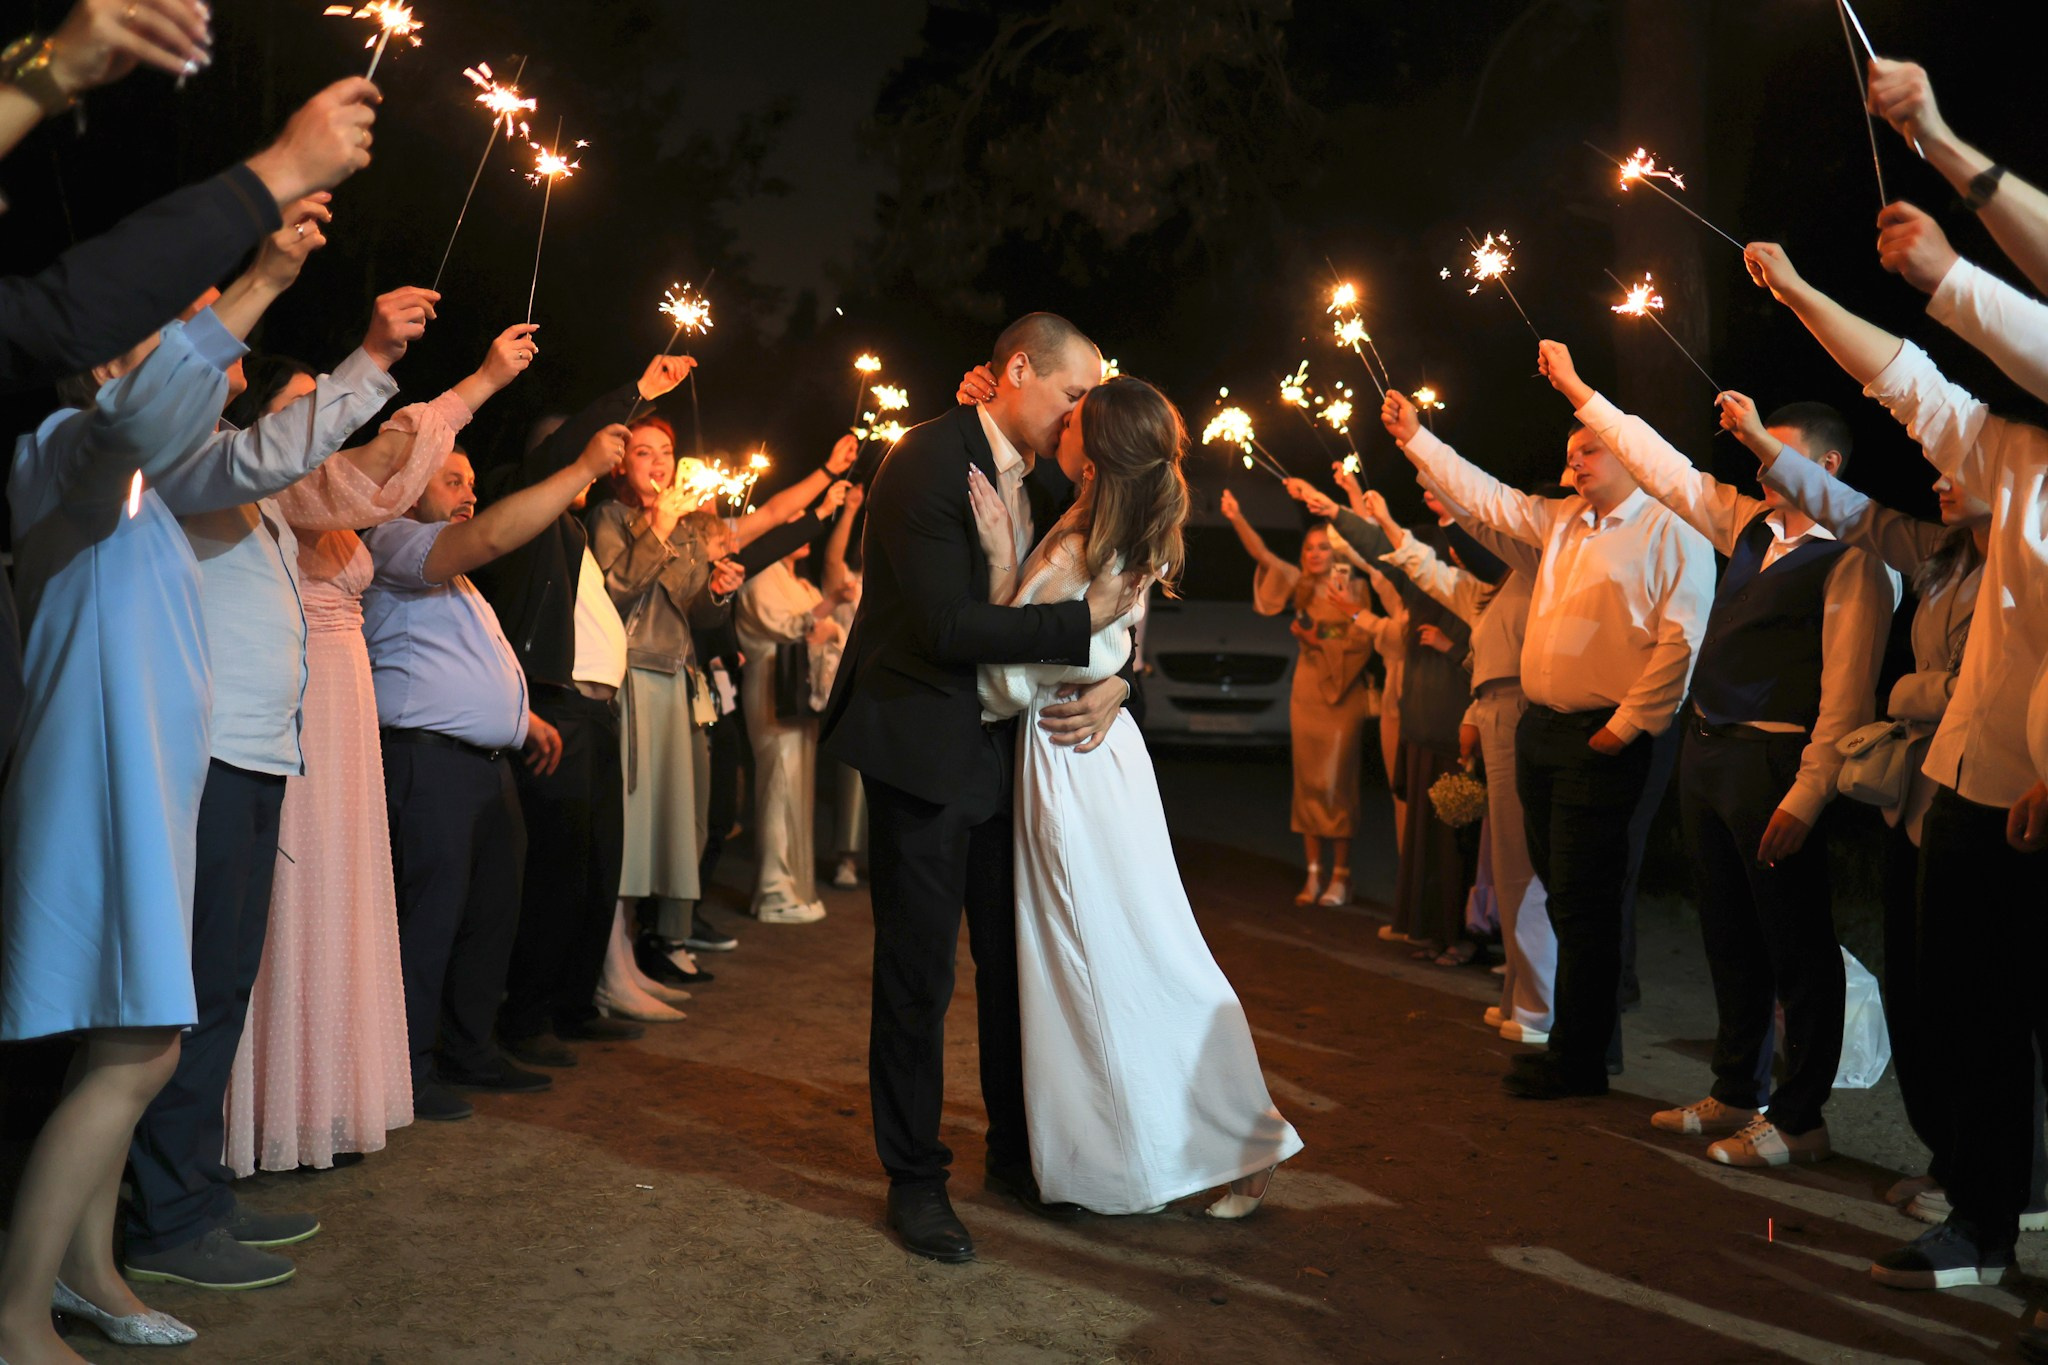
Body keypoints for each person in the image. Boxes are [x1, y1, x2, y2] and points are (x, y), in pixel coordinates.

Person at [120, 221, 442, 1290]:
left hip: (256, 753)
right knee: (184, 994)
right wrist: (373, 358)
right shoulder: (171, 460)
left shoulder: (232, 477)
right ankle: (159, 1218)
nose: (241, 365)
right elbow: (283, 452)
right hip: (198, 754)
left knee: (220, 987)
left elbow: (313, 471)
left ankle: (193, 1192)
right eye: (208, 339)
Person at [1743, 235, 2048, 1290]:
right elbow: (1904, 384)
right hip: (1969, 787)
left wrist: (1948, 184)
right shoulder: (2007, 462)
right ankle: (1980, 1227)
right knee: (1970, 1018)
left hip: (2037, 796)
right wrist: (1796, 290)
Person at [820, 312, 1141, 1262]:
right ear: (1016, 372)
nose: (1083, 413)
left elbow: (1118, 597)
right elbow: (945, 628)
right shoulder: (924, 459)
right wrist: (1082, 628)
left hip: (1011, 760)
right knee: (919, 975)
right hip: (921, 747)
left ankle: (1018, 1154)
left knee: (1015, 966)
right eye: (1074, 393)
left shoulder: (1052, 479)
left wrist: (1120, 677)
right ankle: (915, 1178)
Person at [0, 297, 274, 1357]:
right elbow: (134, 428)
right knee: (140, 1046)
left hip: (140, 784)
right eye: (167, 343)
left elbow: (260, 452)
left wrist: (380, 363)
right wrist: (252, 286)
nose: (195, 365)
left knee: (129, 1038)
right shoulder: (69, 447)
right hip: (96, 781)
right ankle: (18, 1313)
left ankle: (87, 1270)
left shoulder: (147, 484)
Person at [967, 375, 1302, 1215]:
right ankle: (1129, 1157)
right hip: (1092, 753)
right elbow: (1095, 646)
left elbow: (1007, 675)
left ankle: (1241, 1137)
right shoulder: (1108, 526)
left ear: (1094, 452)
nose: (1061, 419)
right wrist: (1113, 676)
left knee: (1119, 953)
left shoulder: (1088, 542)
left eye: (1075, 415)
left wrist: (1003, 560)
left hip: (1071, 755)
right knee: (1107, 959)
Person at [1554, 356, 1897, 1168]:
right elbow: (1663, 468)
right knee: (1729, 934)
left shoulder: (1857, 556)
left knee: (1797, 946)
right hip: (1709, 754)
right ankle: (1737, 1088)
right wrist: (1579, 387)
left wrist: (1808, 796)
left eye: (1777, 453)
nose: (1759, 465)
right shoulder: (1748, 526)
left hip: (1778, 762)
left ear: (1829, 468)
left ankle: (1802, 1113)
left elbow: (1845, 699)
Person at [225, 324, 538, 1178]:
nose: (318, 426)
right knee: (295, 905)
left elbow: (380, 463)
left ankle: (329, 1102)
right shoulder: (273, 492)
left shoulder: (330, 503)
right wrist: (478, 378)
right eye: (298, 412)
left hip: (350, 716)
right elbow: (390, 460)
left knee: (346, 906)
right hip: (298, 709)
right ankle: (271, 1112)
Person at [1381, 374, 1713, 1101]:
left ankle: (1581, 1058)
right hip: (1545, 734)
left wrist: (1624, 727)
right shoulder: (1563, 522)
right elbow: (1484, 496)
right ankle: (1570, 1043)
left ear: (1635, 454)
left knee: (1589, 900)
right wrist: (1416, 440)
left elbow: (1679, 644)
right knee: (1563, 895)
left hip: (1610, 739)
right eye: (1572, 451)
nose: (1577, 462)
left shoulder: (1672, 529)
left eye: (1591, 448)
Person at [1733, 403, 2007, 1222]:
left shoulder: (2018, 569)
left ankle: (1999, 1184)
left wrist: (1906, 690)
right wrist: (1755, 442)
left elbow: (1990, 687)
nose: (1936, 480)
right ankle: (1955, 1158)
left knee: (1976, 999)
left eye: (1957, 467)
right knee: (1922, 990)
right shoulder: (1944, 553)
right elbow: (1853, 512)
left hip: (1983, 796)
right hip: (1918, 797)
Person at [364, 429, 633, 1121]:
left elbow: (470, 668)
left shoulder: (455, 582)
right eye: (451, 479)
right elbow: (486, 539)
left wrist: (522, 723)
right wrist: (581, 464)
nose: (469, 493)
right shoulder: (394, 542)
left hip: (485, 765)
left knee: (488, 918)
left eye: (471, 481)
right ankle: (410, 1065)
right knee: (430, 922)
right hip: (428, 761)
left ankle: (468, 1045)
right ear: (408, 485)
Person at [472, 358, 696, 1066]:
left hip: (600, 713)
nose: (597, 459)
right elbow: (554, 453)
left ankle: (573, 1002)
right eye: (581, 446)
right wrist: (634, 392)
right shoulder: (529, 527)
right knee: (556, 870)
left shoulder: (573, 533)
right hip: (558, 710)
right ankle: (527, 1014)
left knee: (596, 867)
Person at [1361, 485, 1552, 1041]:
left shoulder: (1542, 573)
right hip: (1492, 712)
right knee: (1510, 865)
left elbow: (1476, 545)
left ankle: (1537, 1003)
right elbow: (1432, 573)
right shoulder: (1492, 591)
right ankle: (1521, 992)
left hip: (1524, 711)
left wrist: (1448, 503)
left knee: (1523, 866)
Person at [586, 418, 745, 1007]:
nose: (657, 462)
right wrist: (657, 528)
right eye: (643, 452)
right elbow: (614, 592)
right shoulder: (608, 518)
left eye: (667, 452)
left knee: (664, 829)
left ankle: (629, 955)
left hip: (676, 678)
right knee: (630, 828)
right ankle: (610, 965)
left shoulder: (686, 527)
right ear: (620, 463)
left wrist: (720, 591)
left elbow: (697, 615)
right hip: (631, 677)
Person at [1218, 489, 1381, 905]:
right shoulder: (1303, 585)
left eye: (1323, 547)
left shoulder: (1351, 586)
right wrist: (1237, 517)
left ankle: (1341, 876)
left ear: (1336, 553)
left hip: (1342, 692)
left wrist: (1317, 635)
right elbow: (1265, 557)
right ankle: (1313, 875)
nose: (1314, 554)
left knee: (1336, 782)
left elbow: (1360, 636)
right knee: (1308, 781)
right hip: (1307, 690)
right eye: (1309, 547)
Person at [736, 540, 852, 924]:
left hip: (797, 688)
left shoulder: (797, 582)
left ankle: (793, 886)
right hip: (772, 683)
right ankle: (774, 889)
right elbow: (787, 626)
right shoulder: (762, 574)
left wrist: (829, 621)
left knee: (796, 783)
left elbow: (820, 627)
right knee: (779, 780)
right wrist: (830, 608)